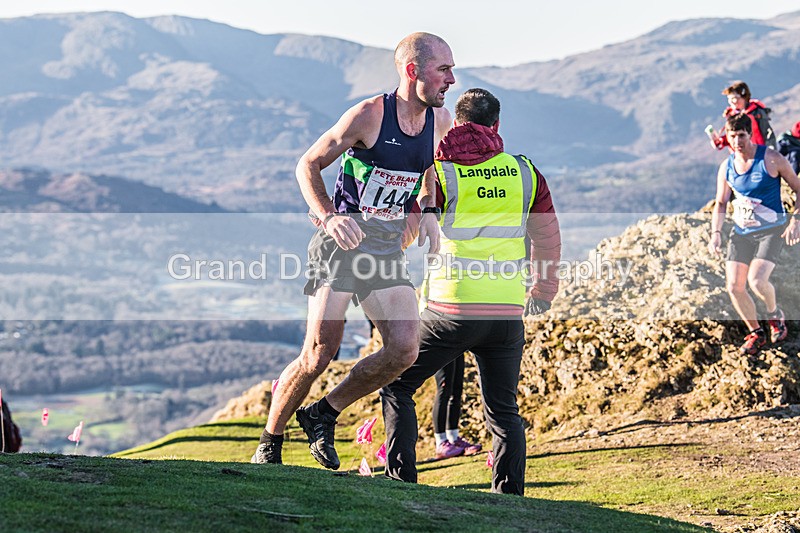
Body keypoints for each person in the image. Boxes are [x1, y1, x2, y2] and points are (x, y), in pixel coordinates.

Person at [250, 32, 455, 469]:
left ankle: (322, 414)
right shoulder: (369, 115)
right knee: (320, 353)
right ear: (412, 71)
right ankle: (270, 441)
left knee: (404, 349)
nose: (451, 79)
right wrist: (329, 216)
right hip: (340, 246)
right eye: (444, 70)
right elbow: (308, 164)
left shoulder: (441, 121)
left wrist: (428, 212)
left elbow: (429, 171)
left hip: (383, 250)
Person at [380, 88, 562, 495]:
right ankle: (509, 497)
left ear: (456, 124)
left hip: (450, 309)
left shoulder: (440, 174)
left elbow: (405, 231)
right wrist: (544, 290)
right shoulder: (525, 173)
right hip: (506, 312)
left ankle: (400, 485)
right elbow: (548, 238)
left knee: (397, 386)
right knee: (503, 410)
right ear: (497, 125)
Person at [708, 113, 800, 355]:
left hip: (772, 230)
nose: (737, 141)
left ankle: (774, 315)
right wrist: (715, 233)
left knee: (757, 281)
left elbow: (798, 189)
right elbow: (720, 202)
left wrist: (795, 220)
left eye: (741, 135)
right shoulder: (726, 167)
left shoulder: (771, 159)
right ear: (726, 138)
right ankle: (755, 332)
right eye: (732, 136)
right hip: (742, 233)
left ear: (749, 134)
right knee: (734, 286)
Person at [431, 353, 482, 459]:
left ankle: (453, 439)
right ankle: (441, 443)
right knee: (444, 390)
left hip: (458, 344)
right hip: (441, 344)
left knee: (456, 391)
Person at [709, 81, 775, 151]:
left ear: (744, 97)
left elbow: (768, 133)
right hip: (740, 157)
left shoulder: (756, 113)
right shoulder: (731, 115)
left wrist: (770, 152)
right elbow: (734, 135)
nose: (731, 101)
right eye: (729, 99)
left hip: (758, 153)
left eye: (734, 98)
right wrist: (721, 142)